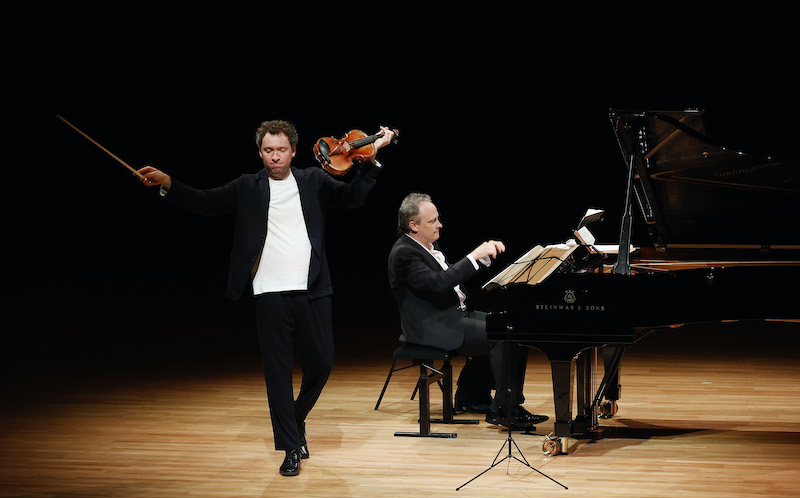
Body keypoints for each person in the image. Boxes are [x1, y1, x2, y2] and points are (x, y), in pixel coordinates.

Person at [137, 119, 396, 476]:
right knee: (277, 374)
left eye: (282, 149)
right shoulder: (247, 186)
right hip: (269, 292)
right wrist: (169, 185)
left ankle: (295, 418)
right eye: (268, 150)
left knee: (322, 364)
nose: (275, 156)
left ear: (293, 150)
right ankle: (290, 446)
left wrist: (372, 160)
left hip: (313, 288)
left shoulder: (314, 180)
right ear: (260, 152)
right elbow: (205, 202)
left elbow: (353, 198)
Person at [387, 193, 548, 430]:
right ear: (413, 225)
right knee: (501, 336)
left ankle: (473, 396)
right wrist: (473, 257)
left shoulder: (426, 247)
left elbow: (446, 278)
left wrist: (480, 262)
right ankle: (505, 409)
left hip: (452, 314)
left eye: (438, 219)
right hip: (431, 326)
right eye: (432, 221)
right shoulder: (404, 253)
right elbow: (437, 283)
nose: (439, 224)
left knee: (514, 326)